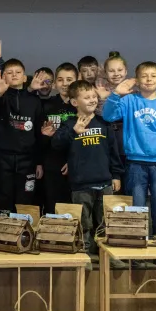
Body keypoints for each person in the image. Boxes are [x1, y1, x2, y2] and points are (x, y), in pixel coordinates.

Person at [102, 61, 156, 236]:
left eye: (153, 76)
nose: (149, 79)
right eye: (144, 76)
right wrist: (115, 94)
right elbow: (108, 115)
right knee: (136, 207)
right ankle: (138, 243)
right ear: (136, 80)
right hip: (135, 163)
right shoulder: (129, 100)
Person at [52, 80, 123, 263]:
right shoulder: (69, 123)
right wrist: (73, 132)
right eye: (87, 97)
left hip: (104, 183)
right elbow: (56, 144)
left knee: (104, 222)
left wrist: (116, 175)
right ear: (75, 102)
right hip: (81, 184)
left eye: (93, 96)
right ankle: (84, 257)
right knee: (83, 222)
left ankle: (107, 257)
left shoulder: (103, 123)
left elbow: (113, 151)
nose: (92, 100)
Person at [0, 59, 47, 214]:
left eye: (18, 72)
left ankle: (24, 228)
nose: (14, 75)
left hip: (27, 159)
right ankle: (4, 227)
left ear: (24, 77)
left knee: (26, 200)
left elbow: (39, 133)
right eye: (9, 72)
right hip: (3, 158)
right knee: (4, 199)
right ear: (4, 77)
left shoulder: (34, 101)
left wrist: (39, 162)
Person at [39, 63, 79, 214]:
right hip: (51, 164)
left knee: (73, 209)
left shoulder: (81, 105)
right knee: (52, 206)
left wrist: (73, 160)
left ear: (77, 81)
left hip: (76, 164)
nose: (65, 84)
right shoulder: (46, 105)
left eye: (69, 79)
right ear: (55, 83)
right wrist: (39, 162)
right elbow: (39, 138)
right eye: (61, 80)